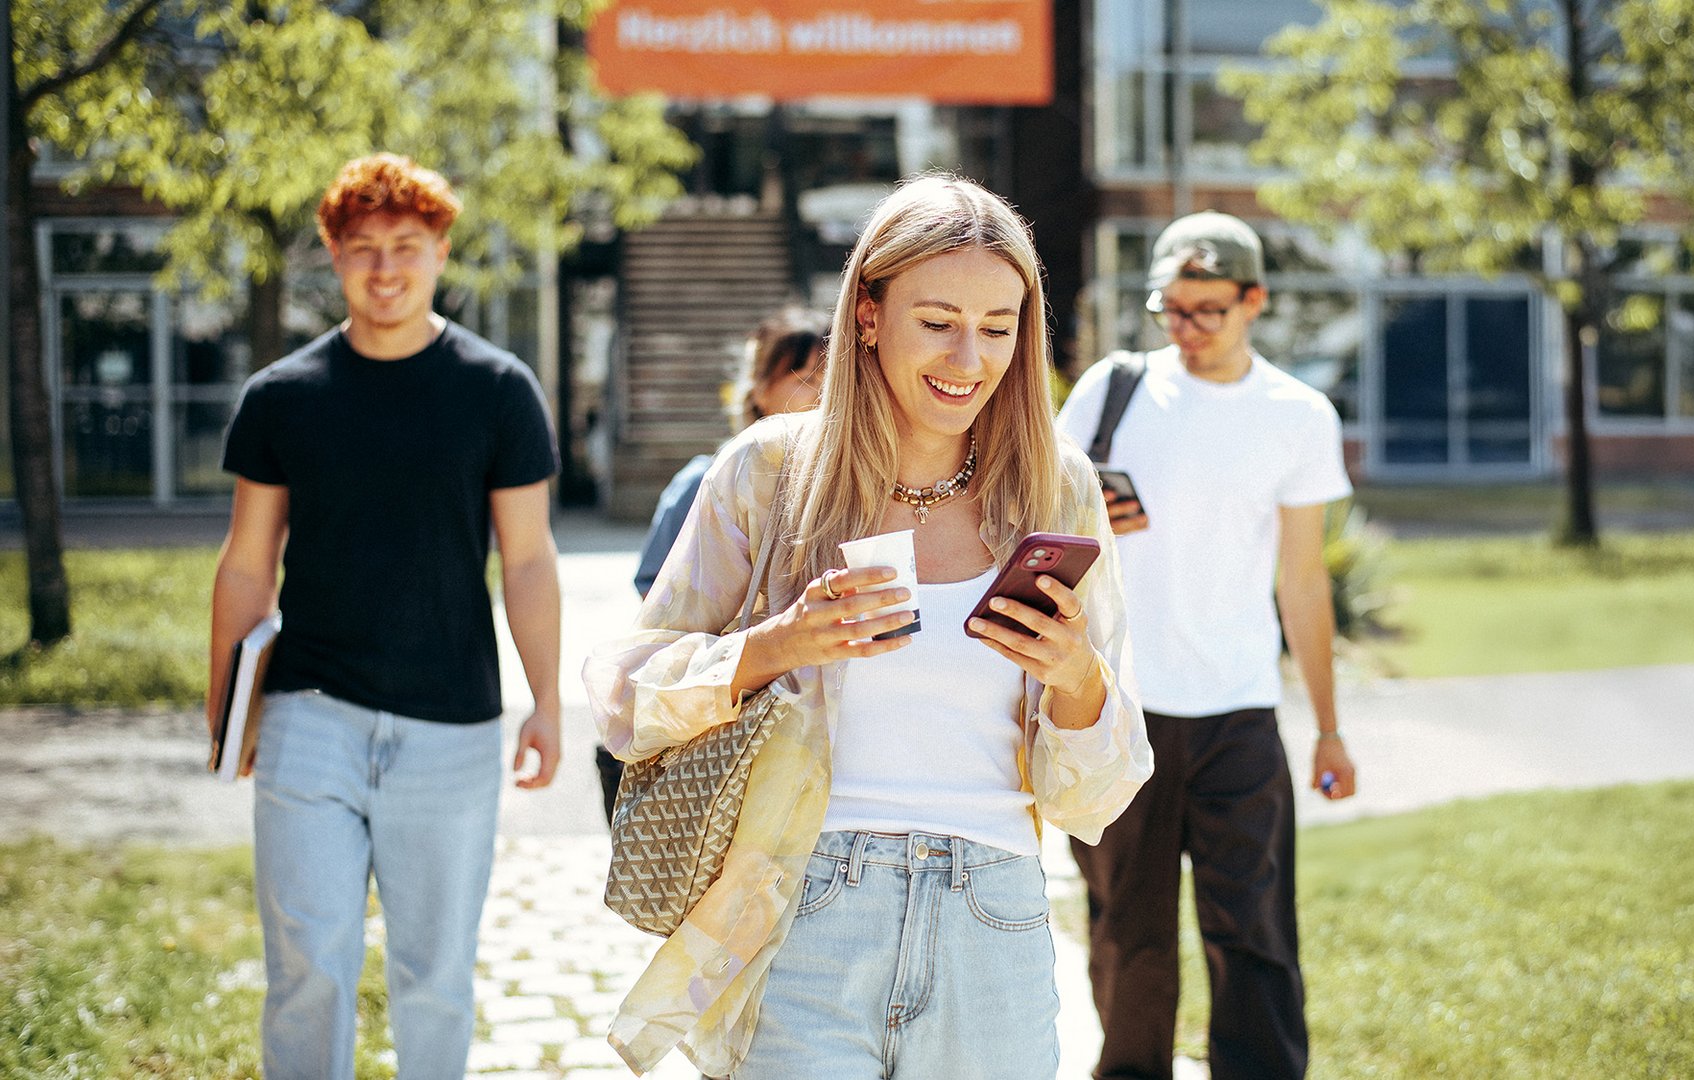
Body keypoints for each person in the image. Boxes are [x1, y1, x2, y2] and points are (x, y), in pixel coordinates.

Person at [584, 174, 1153, 1080]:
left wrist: (1078, 677)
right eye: (938, 322)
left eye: (998, 328)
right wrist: (778, 645)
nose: (969, 358)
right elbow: (626, 701)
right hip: (805, 906)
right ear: (868, 315)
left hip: (993, 914)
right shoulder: (769, 473)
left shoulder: (1059, 488)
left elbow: (1097, 796)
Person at [208, 153, 562, 1079]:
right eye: (362, 249)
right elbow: (247, 564)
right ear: (333, 254)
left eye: (407, 246)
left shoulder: (497, 390)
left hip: (451, 728)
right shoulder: (283, 397)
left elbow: (527, 561)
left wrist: (549, 700)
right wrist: (227, 712)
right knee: (307, 968)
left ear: (442, 250)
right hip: (308, 719)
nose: (386, 269)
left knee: (434, 976)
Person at [1054, 210, 1358, 1080]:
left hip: (1238, 716)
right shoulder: (1112, 391)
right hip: (1118, 711)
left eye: (1206, 311)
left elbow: (1302, 583)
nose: (1184, 329)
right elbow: (1028, 523)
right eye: (1170, 309)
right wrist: (1083, 517)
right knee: (1128, 931)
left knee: (1254, 930)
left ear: (1253, 300)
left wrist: (1330, 728)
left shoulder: (1297, 416)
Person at [594, 309, 828, 822]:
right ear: (760, 388)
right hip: (724, 708)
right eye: (802, 377)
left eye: (830, 379)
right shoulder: (710, 479)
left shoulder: (844, 488)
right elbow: (656, 595)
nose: (818, 393)